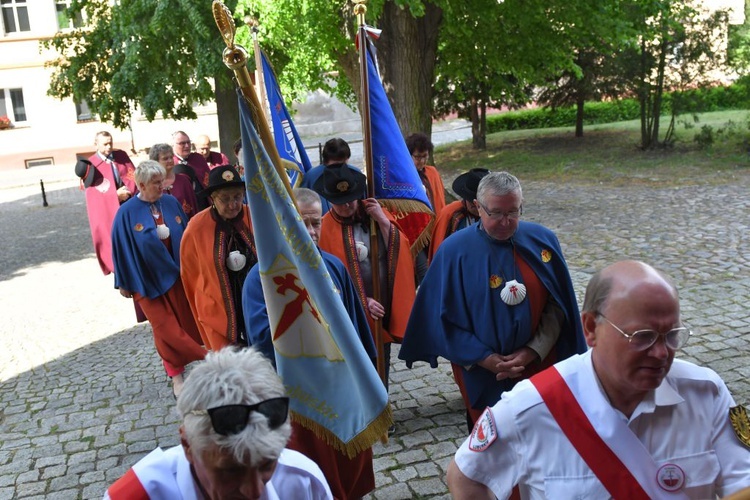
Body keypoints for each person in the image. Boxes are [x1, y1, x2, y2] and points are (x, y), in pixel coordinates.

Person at [447, 260, 750, 499]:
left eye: (671, 336)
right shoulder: (532, 406)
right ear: (591, 328)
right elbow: (466, 476)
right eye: (642, 337)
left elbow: (742, 484)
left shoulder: (705, 392)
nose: (661, 353)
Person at [399, 171, 586, 429]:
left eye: (513, 212)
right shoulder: (454, 252)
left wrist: (532, 351)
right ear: (477, 207)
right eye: (496, 213)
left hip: (538, 369)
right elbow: (440, 319)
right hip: (482, 374)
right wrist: (483, 357)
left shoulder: (542, 241)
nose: (506, 222)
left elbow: (558, 307)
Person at [242, 187, 378, 499]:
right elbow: (263, 338)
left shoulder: (334, 266)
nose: (310, 231)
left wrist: (369, 383)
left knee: (346, 470)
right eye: (301, 222)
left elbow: (356, 329)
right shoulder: (261, 276)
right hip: (298, 397)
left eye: (315, 222)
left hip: (342, 389)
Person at [104, 347, 333, 499]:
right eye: (231, 470)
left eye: (266, 465)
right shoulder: (138, 494)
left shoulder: (303, 482)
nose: (254, 491)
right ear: (187, 446)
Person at [314, 163, 416, 390]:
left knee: (381, 362)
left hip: (382, 305)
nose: (348, 205)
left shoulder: (374, 215)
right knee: (356, 365)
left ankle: (383, 408)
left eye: (351, 198)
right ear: (329, 199)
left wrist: (381, 219)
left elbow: (401, 248)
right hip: (350, 310)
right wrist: (362, 300)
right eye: (341, 201)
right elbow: (326, 278)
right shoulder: (324, 228)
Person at [111, 160, 205, 397]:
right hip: (145, 280)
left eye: (161, 180)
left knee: (185, 322)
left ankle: (191, 363)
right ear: (141, 185)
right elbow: (120, 248)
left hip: (175, 275)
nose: (161, 186)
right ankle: (184, 372)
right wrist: (123, 282)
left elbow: (187, 236)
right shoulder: (126, 212)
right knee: (165, 328)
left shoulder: (171, 203)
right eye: (155, 183)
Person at [181, 165, 258, 352]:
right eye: (225, 199)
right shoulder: (196, 227)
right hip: (218, 309)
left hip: (255, 303)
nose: (232, 204)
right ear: (213, 198)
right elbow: (190, 276)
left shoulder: (255, 216)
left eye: (237, 197)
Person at [78, 130, 137, 275]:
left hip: (129, 206)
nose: (108, 147)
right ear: (96, 144)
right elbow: (93, 197)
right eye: (104, 144)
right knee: (116, 242)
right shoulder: (90, 166)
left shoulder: (121, 156)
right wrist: (115, 196)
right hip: (110, 211)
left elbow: (134, 176)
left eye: (110, 143)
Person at [405, 133, 446, 284]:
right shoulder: (403, 177)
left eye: (425, 156)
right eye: (417, 157)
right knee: (425, 274)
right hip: (415, 235)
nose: (422, 161)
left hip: (435, 229)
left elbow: (440, 199)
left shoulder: (432, 172)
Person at [428, 168, 489, 263]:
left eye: (481, 204)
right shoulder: (450, 214)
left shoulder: (497, 213)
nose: (478, 208)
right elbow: (440, 253)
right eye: (473, 204)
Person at [301, 138, 358, 215]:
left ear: (347, 159)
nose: (338, 169)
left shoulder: (356, 174)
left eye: (343, 165)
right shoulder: (311, 178)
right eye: (335, 166)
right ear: (326, 162)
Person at [149, 143, 198, 219]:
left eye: (171, 157)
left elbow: (193, 208)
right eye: (165, 158)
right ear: (155, 162)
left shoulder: (183, 181)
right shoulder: (150, 184)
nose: (170, 160)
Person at [172, 130, 211, 210]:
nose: (187, 146)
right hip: (183, 206)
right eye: (182, 143)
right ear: (173, 145)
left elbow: (209, 181)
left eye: (188, 142)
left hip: (203, 204)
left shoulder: (198, 158)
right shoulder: (170, 163)